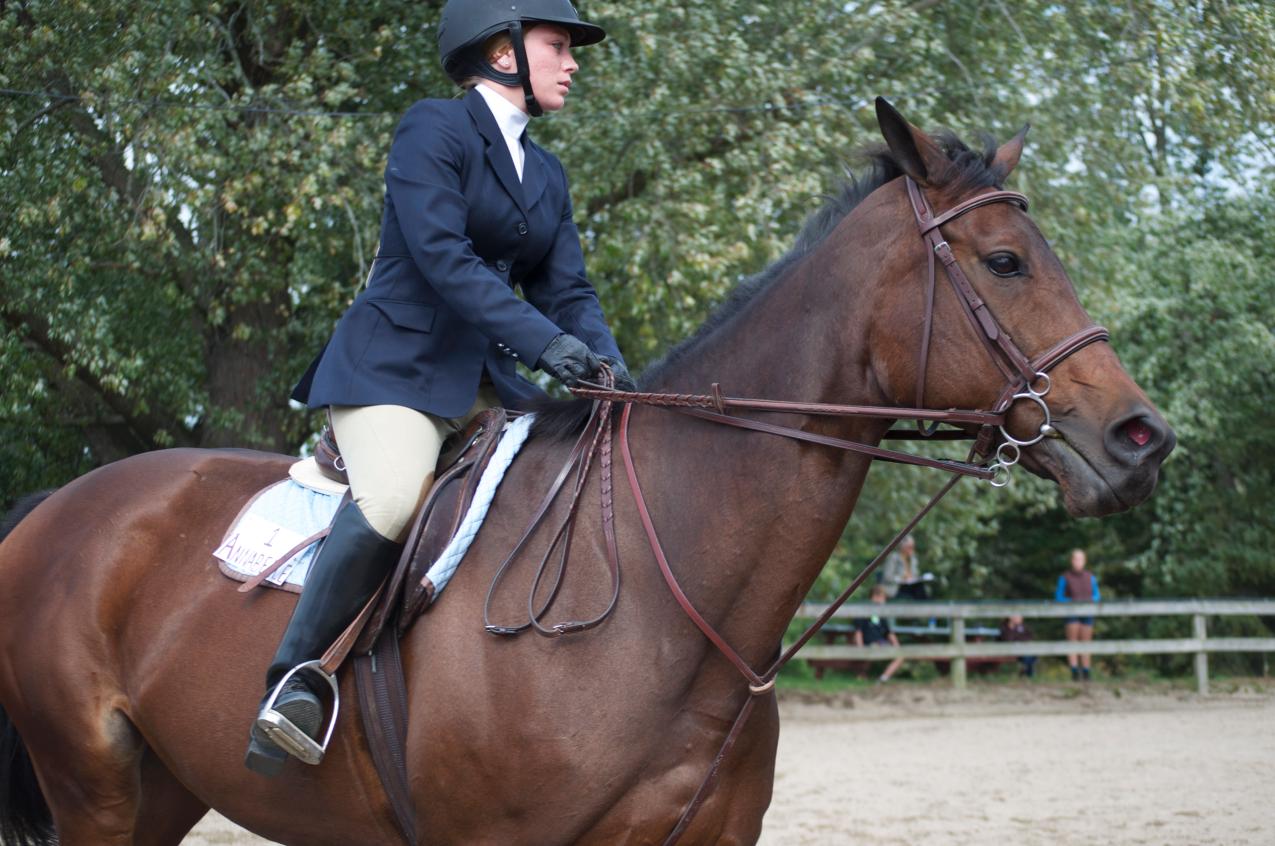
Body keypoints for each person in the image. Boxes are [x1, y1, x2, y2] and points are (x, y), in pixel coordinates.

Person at [245, 0, 634, 775]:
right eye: (559, 46)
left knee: (571, 483)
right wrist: (546, 347)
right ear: (501, 52)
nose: (573, 62)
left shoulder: (545, 173)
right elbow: (441, 259)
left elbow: (570, 291)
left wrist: (611, 370)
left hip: (483, 376)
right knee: (392, 501)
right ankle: (291, 684)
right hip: (394, 367)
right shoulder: (434, 129)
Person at [1056, 548, 1100, 681]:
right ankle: (1074, 671)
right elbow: (1059, 597)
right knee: (1073, 641)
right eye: (1075, 559)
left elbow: (1097, 595)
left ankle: (1086, 671)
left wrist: (1090, 601)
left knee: (1086, 642)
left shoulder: (1090, 577)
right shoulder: (1065, 577)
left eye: (1080, 559)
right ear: (1071, 561)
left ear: (1084, 561)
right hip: (1071, 613)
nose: (1078, 562)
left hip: (1087, 612)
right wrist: (1073, 602)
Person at [854, 585, 906, 683]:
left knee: (900, 655)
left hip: (880, 643)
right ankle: (862, 675)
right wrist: (860, 649)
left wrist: (897, 646)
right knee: (874, 648)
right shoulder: (862, 611)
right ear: (873, 597)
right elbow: (858, 632)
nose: (882, 601)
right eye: (881, 597)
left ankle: (882, 679)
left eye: (883, 598)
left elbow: (889, 632)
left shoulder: (881, 615)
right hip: (869, 644)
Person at [879, 534, 930, 600]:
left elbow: (915, 574)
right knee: (919, 589)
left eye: (913, 547)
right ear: (902, 547)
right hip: (896, 587)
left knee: (921, 587)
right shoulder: (893, 558)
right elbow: (887, 576)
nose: (912, 549)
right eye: (910, 547)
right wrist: (902, 578)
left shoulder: (913, 559)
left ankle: (925, 608)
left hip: (910, 586)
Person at [999, 614, 1037, 678]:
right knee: (1028, 655)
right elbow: (1007, 640)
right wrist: (1011, 628)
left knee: (1032, 654)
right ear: (1011, 617)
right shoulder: (1005, 627)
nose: (1021, 618)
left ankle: (1025, 670)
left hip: (1023, 648)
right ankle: (1029, 674)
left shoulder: (1023, 627)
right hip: (1008, 650)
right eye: (1018, 616)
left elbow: (1029, 636)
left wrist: (1022, 641)